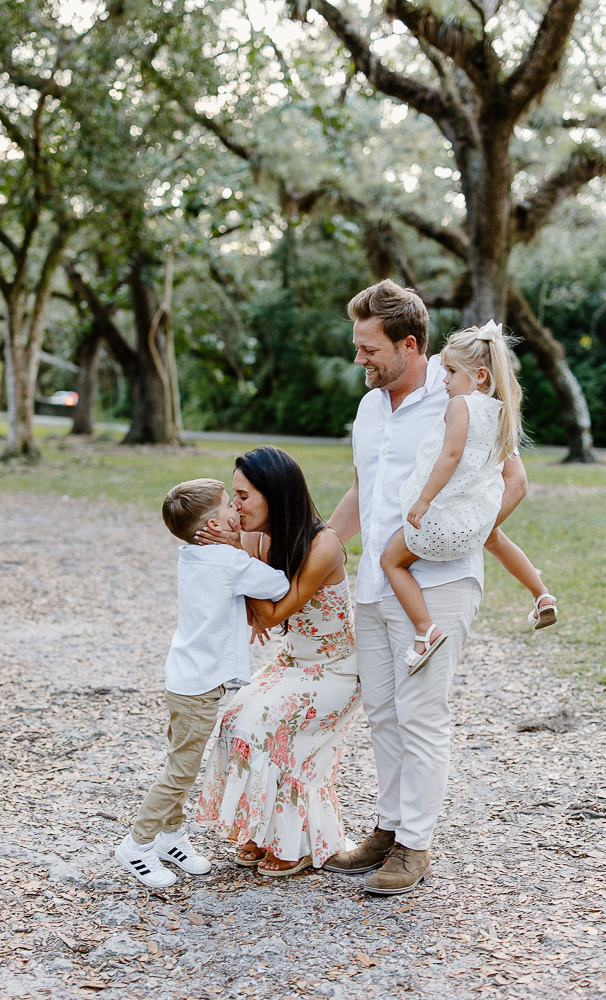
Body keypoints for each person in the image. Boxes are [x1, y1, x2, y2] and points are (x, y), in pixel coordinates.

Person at [324, 280, 530, 896]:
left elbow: (514, 479)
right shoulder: (369, 407)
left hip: (437, 582)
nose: (358, 359)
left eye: (368, 349)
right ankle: (388, 830)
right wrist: (318, 552)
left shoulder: (460, 393)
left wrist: (463, 535)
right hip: (374, 581)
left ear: (409, 344)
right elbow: (363, 492)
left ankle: (416, 845)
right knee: (384, 713)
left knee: (420, 715)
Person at [115, 478, 289, 889]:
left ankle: (170, 836)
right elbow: (279, 585)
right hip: (198, 688)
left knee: (181, 761)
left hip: (182, 679)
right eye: (231, 506)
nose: (237, 513)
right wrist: (237, 547)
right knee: (180, 771)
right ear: (214, 524)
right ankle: (137, 845)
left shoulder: (190, 556)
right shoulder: (229, 562)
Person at [195, 447, 360, 877]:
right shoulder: (256, 538)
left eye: (243, 497)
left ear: (275, 494)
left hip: (336, 669)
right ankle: (264, 831)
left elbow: (269, 613)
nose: (235, 507)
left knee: (266, 722)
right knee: (234, 717)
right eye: (234, 496)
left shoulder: (324, 545)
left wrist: (237, 561)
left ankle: (297, 842)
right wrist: (236, 561)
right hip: (292, 662)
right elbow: (251, 610)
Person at [381, 320, 557, 675]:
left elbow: (450, 456)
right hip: (474, 519)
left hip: (440, 521)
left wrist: (424, 500)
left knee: (390, 561)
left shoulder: (460, 406)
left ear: (478, 375)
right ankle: (541, 594)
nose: (443, 379)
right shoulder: (500, 413)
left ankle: (425, 630)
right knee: (496, 539)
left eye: (449, 371)